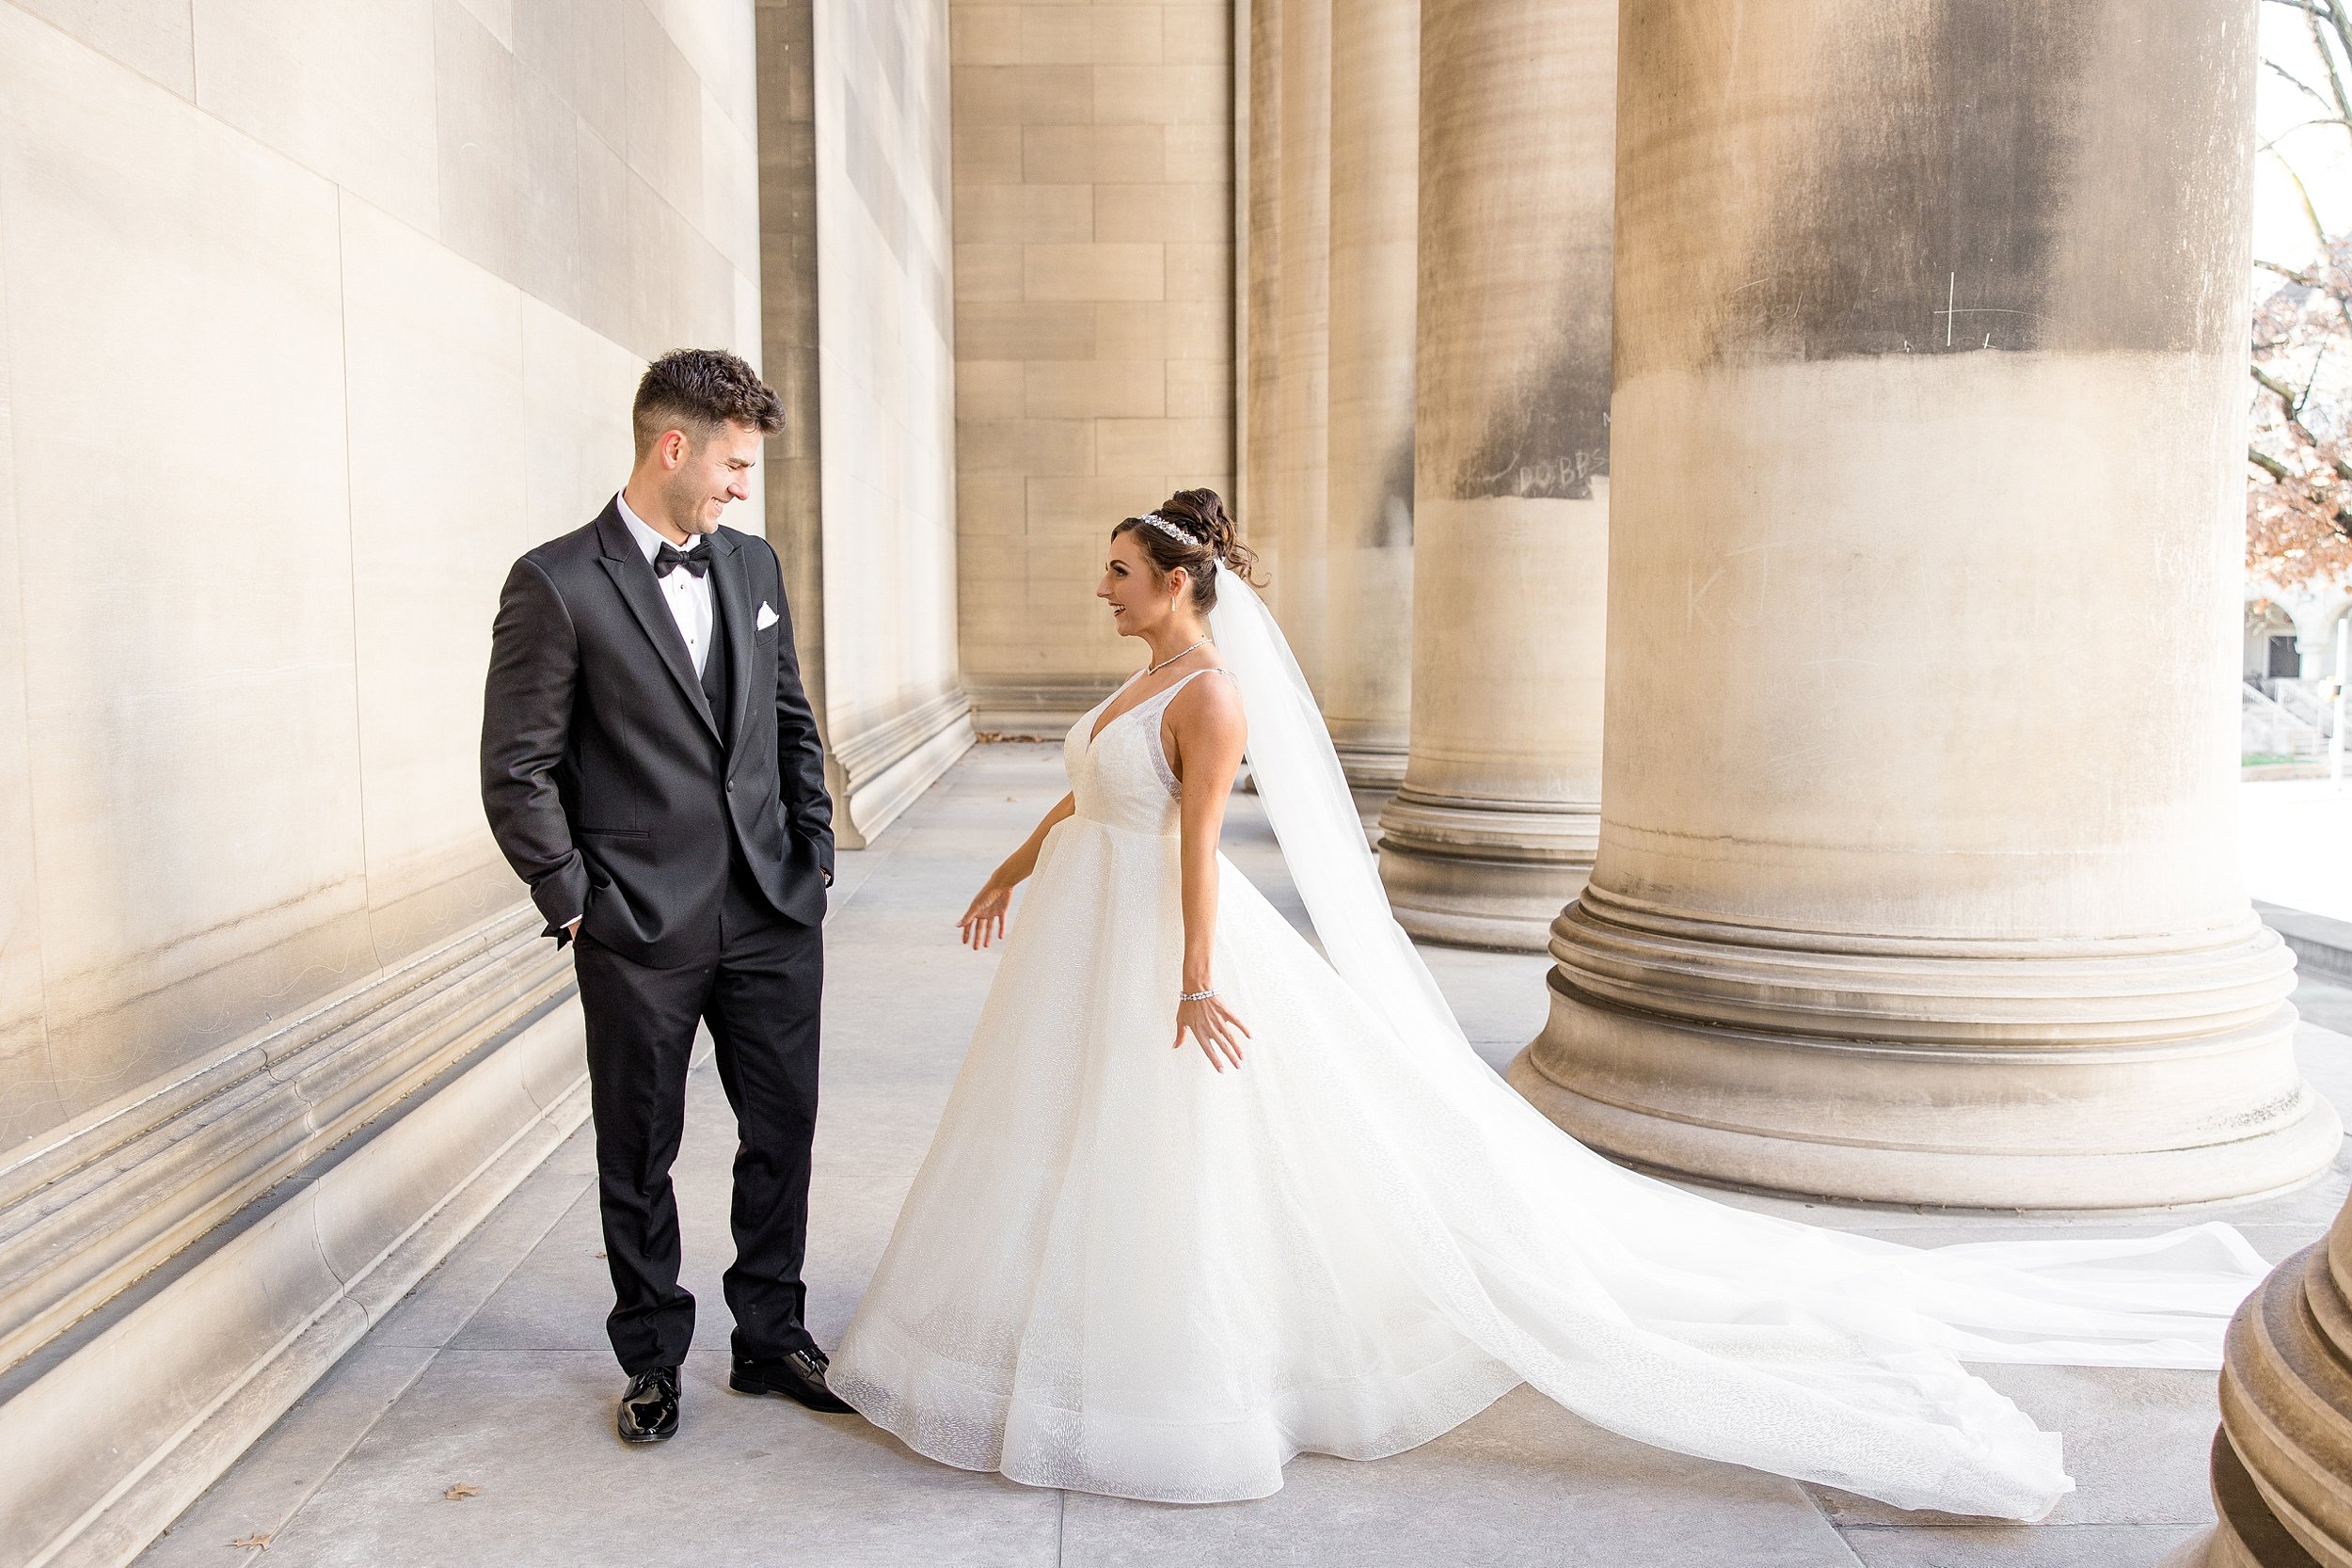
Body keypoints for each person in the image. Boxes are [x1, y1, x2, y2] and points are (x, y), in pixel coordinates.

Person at [826, 487, 2268, 1517]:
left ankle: (1158, 1373)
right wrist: (1011, 867)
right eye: (1111, 571)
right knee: (1056, 1140)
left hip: (1156, 939)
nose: (1106, 586)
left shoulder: (1208, 699)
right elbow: (1086, 792)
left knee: (1165, 1152)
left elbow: (1195, 845)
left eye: (1124, 572)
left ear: (1183, 585)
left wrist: (1197, 975)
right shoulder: (1133, 684)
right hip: (1077, 929)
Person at [481, 349, 852, 1446]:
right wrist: (574, 897)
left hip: (772, 907)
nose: (743, 486)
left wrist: (815, 845)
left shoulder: (753, 566)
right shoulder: (556, 582)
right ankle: (650, 1353)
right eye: (734, 463)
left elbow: (789, 717)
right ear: (671, 446)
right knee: (637, 1146)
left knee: (782, 1126)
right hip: (636, 921)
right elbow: (517, 767)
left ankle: (769, 1333)